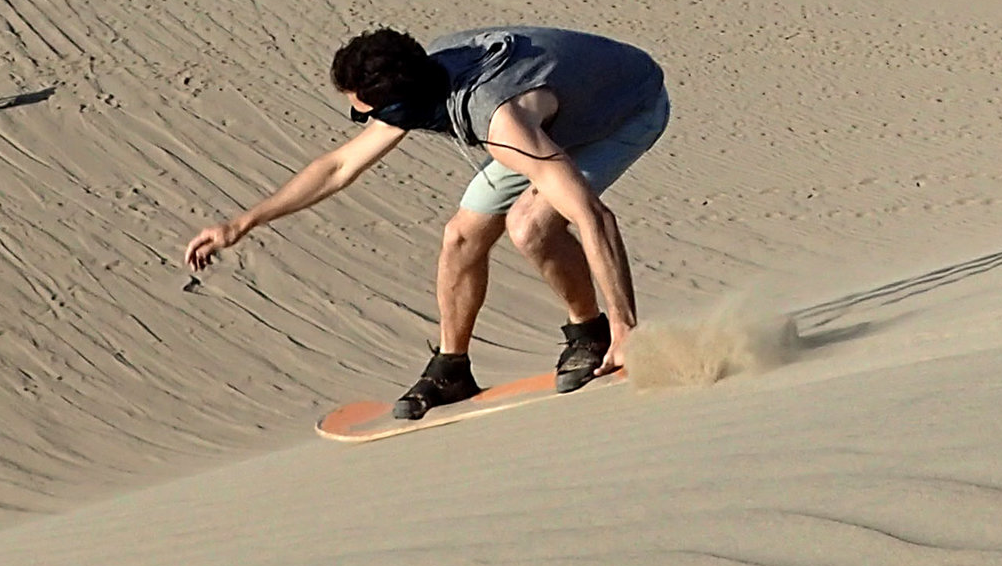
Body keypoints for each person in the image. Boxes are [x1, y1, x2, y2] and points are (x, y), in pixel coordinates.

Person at [183, 25, 669, 419]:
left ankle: (593, 334)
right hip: (546, 118)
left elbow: (592, 215)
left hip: (624, 107)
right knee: (460, 236)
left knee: (531, 225)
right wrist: (242, 223)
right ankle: (451, 368)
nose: (362, 121)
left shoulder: (499, 121)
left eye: (365, 114)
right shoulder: (420, 72)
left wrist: (629, 328)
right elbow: (338, 167)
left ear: (401, 108)